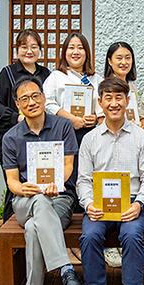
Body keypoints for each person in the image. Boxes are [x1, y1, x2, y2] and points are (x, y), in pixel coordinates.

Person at [76, 77, 144, 285]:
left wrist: (140, 203)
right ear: (100, 103)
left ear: (127, 101)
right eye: (108, 98)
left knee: (132, 236)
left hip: (131, 202)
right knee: (90, 236)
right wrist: (89, 204)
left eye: (119, 98)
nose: (114, 103)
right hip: (99, 203)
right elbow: (83, 180)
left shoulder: (142, 137)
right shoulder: (90, 139)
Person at [2, 76, 83, 285]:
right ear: (18, 105)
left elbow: (68, 166)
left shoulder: (63, 126)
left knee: (32, 227)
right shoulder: (11, 137)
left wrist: (55, 184)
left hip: (58, 198)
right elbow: (11, 181)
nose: (31, 102)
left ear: (44, 97)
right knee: (37, 199)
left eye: (35, 95)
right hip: (24, 201)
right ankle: (66, 269)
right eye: (24, 99)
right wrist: (23, 189)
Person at [0, 29, 51, 222]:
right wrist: (16, 117)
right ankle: (10, 234)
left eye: (34, 47)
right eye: (24, 47)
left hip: (41, 142)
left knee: (40, 189)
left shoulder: (47, 74)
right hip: (14, 144)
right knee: (14, 190)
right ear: (17, 50)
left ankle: (36, 229)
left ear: (40, 50)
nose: (29, 51)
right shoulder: (7, 73)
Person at [43, 32, 103, 193]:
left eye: (80, 48)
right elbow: (47, 103)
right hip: (63, 131)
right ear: (64, 52)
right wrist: (72, 119)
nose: (76, 52)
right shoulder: (56, 76)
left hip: (89, 132)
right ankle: (69, 201)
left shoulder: (96, 78)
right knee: (68, 168)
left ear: (87, 53)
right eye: (71, 48)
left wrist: (95, 117)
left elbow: (102, 104)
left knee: (88, 167)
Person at [104, 41, 144, 130]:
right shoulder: (105, 87)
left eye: (128, 58)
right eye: (119, 58)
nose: (124, 62)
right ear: (110, 61)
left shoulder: (132, 85)